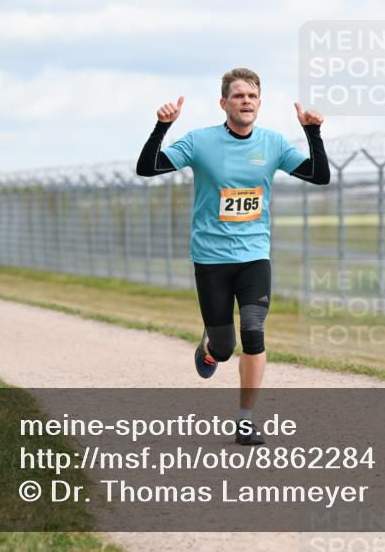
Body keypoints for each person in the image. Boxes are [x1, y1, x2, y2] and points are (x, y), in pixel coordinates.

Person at [136, 68, 329, 445]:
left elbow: (318, 175)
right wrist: (162, 127)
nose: (246, 102)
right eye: (238, 96)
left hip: (255, 256)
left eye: (252, 96)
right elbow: (148, 168)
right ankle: (210, 346)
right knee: (225, 348)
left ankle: (245, 420)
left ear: (259, 103)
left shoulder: (272, 144)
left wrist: (313, 132)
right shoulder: (200, 141)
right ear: (224, 103)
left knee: (254, 331)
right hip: (210, 259)